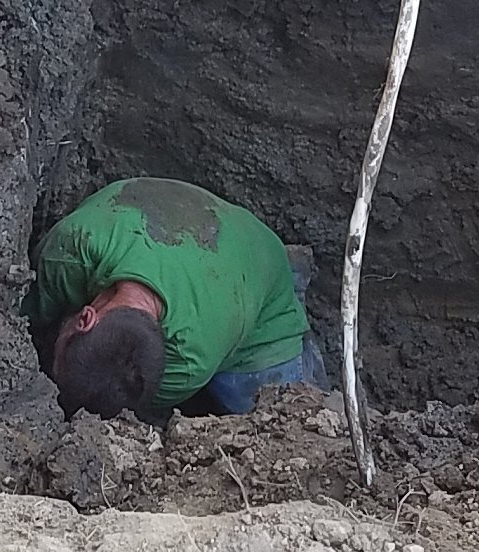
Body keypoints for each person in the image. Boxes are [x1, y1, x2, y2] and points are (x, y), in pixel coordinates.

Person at [26, 176, 328, 420]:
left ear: (86, 318)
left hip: (260, 283)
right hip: (190, 222)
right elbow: (25, 309)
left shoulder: (189, 363)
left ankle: (289, 297)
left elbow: (137, 408)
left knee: (283, 419)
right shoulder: (72, 249)